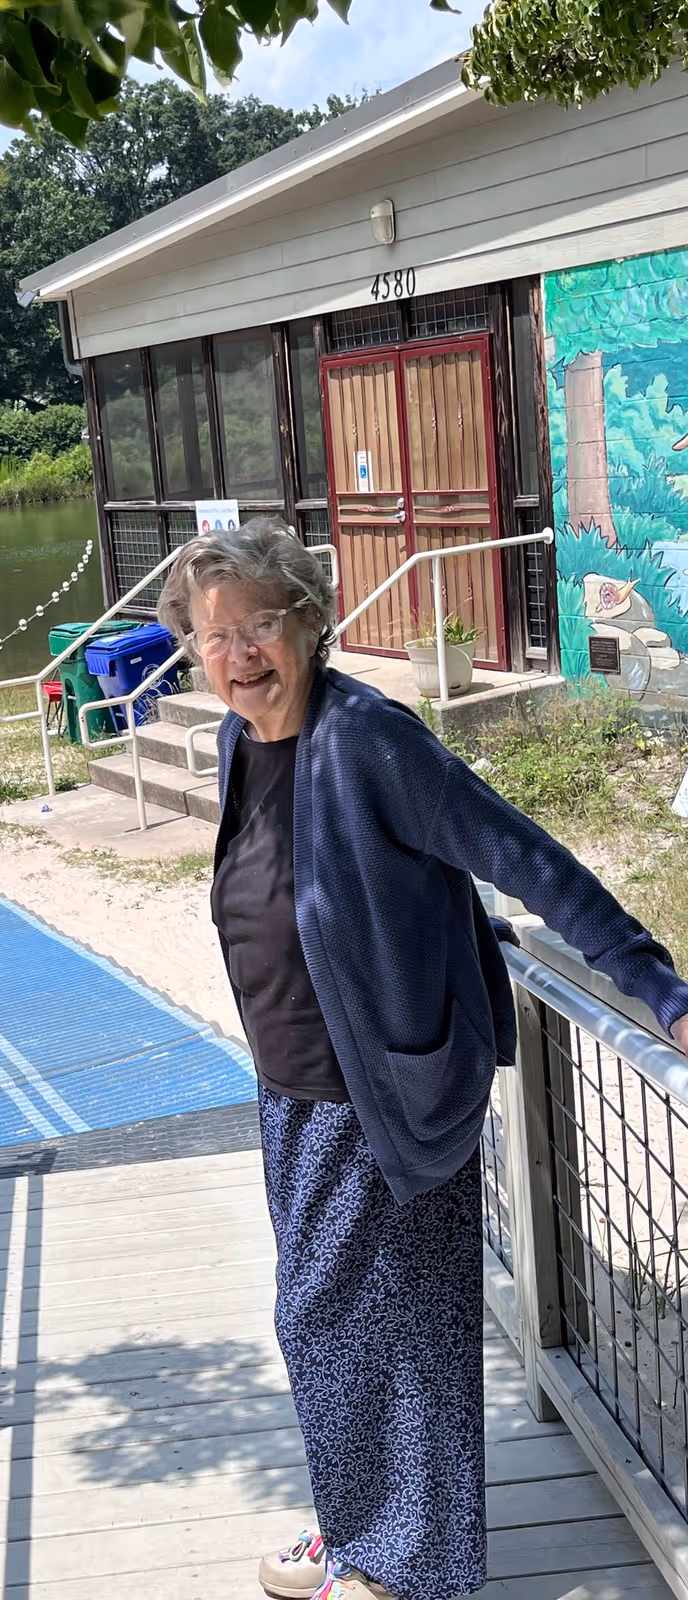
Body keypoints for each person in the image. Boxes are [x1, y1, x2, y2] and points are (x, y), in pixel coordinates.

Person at [156, 518, 688, 1600]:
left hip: (382, 1093)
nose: (238, 653)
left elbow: (521, 853)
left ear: (308, 623)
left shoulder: (369, 741)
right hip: (294, 1092)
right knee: (330, 1319)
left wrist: (664, 990)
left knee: (405, 1325)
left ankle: (410, 1566)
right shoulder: (239, 742)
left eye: (260, 624)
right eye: (214, 636)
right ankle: (361, 1532)